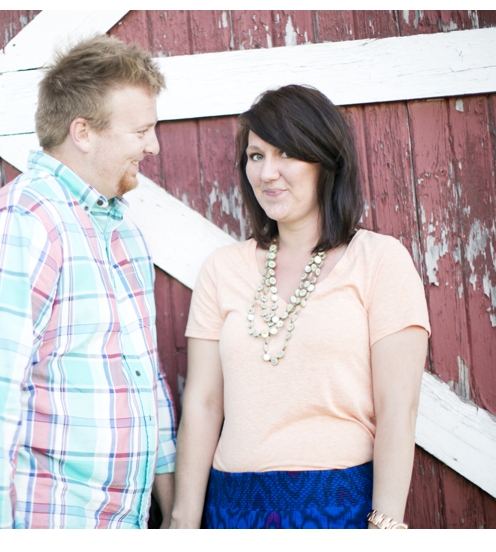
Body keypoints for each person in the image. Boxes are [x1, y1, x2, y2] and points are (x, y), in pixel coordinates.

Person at [0, 35, 176, 528]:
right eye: (141, 130)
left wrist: (179, 515)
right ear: (83, 132)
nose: (153, 145)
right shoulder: (21, 223)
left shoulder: (123, 234)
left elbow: (147, 382)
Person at [169, 85, 430, 529]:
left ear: (325, 160)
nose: (267, 172)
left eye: (286, 153)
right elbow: (204, 403)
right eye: (255, 156)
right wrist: (183, 523)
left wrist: (385, 528)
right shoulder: (221, 269)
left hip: (339, 502)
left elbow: (397, 408)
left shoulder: (380, 260)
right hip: (233, 507)